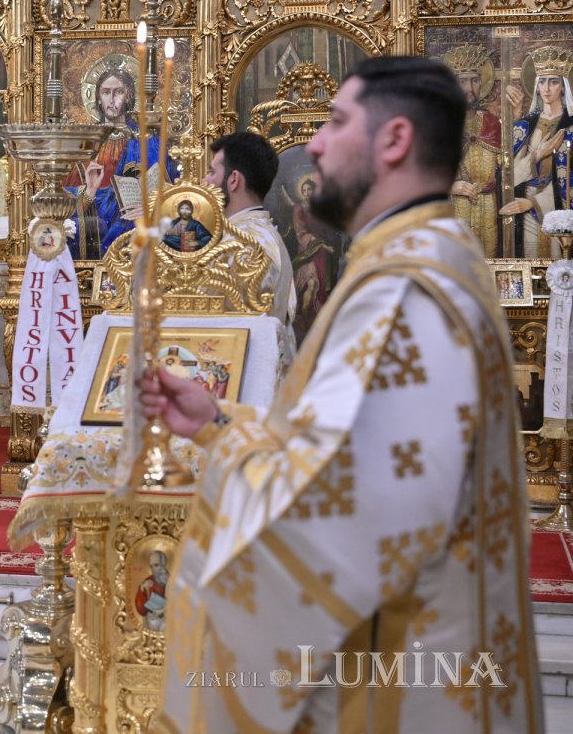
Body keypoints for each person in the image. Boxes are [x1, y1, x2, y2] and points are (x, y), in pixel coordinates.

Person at [143, 57, 541, 732]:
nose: (316, 144)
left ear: (394, 141)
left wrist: (224, 458)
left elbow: (334, 517)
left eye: (335, 122)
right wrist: (217, 420)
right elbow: (354, 452)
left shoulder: (405, 293)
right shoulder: (433, 258)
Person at [204, 131, 298, 365]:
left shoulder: (243, 243)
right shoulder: (261, 234)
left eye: (211, 172)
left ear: (233, 179)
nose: (204, 182)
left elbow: (212, 323)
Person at [66, 66, 174, 259]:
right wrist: (90, 192)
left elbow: (172, 189)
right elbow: (66, 200)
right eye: (106, 92)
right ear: (98, 98)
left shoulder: (148, 141)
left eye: (119, 92)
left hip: (135, 222)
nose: (112, 98)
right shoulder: (85, 143)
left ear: (128, 96)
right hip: (94, 225)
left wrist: (153, 204)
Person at [502, 45, 573, 258]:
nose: (546, 88)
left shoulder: (570, 126)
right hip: (526, 209)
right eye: (542, 81)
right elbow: (509, 176)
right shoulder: (525, 125)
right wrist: (538, 155)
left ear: (563, 86)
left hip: (555, 210)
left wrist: (533, 203)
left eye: (553, 81)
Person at [443, 44, 505, 257]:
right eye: (462, 81)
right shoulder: (440, 123)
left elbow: (507, 168)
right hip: (454, 206)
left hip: (488, 205)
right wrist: (451, 186)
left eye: (475, 80)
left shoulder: (491, 121)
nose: (469, 88)